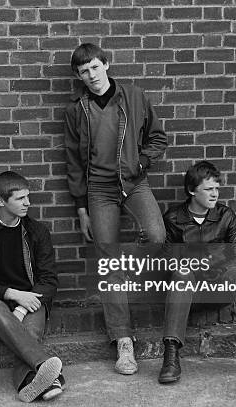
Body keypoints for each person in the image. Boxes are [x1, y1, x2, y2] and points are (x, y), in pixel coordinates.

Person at [64, 43, 168, 375]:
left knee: (156, 235)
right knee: (108, 264)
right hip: (99, 190)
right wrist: (82, 209)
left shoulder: (133, 96)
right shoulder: (76, 110)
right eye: (83, 72)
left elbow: (158, 138)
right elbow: (74, 164)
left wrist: (142, 160)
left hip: (135, 183)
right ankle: (123, 342)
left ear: (106, 64)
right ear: (79, 77)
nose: (90, 75)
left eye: (94, 67)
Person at [158, 161, 236, 383]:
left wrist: (218, 267)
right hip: (188, 290)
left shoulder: (225, 215)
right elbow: (166, 258)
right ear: (191, 191)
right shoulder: (173, 218)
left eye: (216, 188)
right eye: (208, 189)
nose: (214, 194)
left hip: (219, 286)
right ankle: (171, 355)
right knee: (182, 275)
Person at [0, 171, 64, 402]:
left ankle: (32, 383)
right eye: (20, 198)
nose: (27, 203)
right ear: (1, 201)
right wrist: (12, 294)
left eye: (28, 197)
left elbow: (49, 280)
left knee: (30, 333)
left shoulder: (37, 232)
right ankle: (46, 367)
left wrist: (21, 307)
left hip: (31, 299)